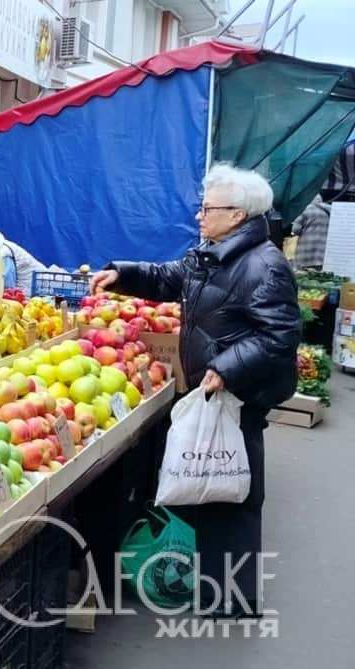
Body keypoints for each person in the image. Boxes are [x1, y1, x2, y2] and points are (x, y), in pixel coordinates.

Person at [90, 164, 301, 618]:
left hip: (239, 394)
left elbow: (279, 336)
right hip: (216, 391)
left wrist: (226, 368)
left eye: (209, 208)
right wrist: (121, 275)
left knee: (235, 493)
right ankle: (216, 592)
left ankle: (231, 601)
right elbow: (170, 278)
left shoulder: (264, 265)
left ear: (239, 215)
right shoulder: (215, 253)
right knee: (216, 488)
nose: (200, 215)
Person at [291, 194, 331, 269]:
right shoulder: (329, 211)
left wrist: (294, 234)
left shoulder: (305, 209)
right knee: (318, 273)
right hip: (322, 249)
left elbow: (295, 229)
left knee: (304, 273)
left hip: (306, 247)